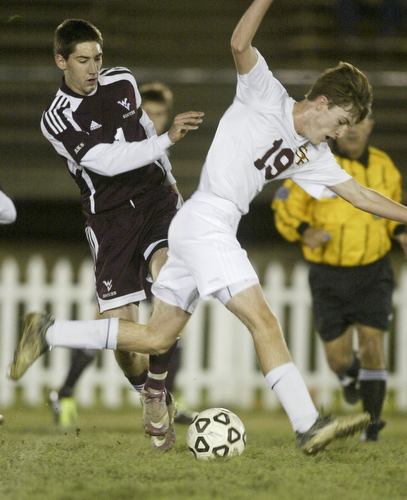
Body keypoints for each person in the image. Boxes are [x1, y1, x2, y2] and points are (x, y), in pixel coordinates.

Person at [12, 0, 407, 455]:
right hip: (207, 225)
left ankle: (50, 332)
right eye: (338, 122)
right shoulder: (265, 93)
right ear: (320, 103)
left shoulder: (313, 154)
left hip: (193, 222)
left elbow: (361, 196)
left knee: (158, 337)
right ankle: (308, 424)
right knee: (265, 321)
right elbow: (240, 42)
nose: (338, 134)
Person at [32, 18, 203, 451]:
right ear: (61, 61)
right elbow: (106, 161)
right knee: (125, 339)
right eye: (83, 60)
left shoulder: (122, 80)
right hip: (110, 222)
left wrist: (170, 179)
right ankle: (148, 386)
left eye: (98, 59)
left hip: (155, 201)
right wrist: (167, 140)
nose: (93, 69)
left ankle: (156, 390)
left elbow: (143, 129)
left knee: (172, 281)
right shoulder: (55, 119)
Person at [49, 81, 196, 428]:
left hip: (150, 226)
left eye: (161, 114)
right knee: (117, 332)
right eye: (152, 113)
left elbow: (162, 175)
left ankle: (166, 397)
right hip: (116, 235)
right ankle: (66, 391)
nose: (156, 119)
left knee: (173, 307)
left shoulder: (155, 154)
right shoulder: (121, 144)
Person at [272, 113, 407, 442]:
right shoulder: (316, 160)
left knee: (373, 343)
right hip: (328, 274)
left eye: (362, 123)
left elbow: (393, 207)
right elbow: (284, 205)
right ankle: (348, 377)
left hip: (373, 270)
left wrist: (401, 232)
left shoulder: (383, 167)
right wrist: (304, 230)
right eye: (348, 123)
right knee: (337, 358)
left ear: (371, 126)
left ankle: (371, 426)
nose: (353, 131)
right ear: (338, 127)